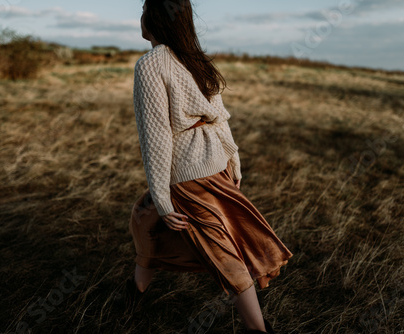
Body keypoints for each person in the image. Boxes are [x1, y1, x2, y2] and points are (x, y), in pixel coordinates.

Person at [121, 1, 294, 333]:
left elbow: (156, 136)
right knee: (147, 221)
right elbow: (220, 118)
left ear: (153, 18)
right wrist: (234, 160)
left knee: (222, 249)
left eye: (144, 10)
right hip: (217, 164)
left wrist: (162, 195)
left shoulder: (150, 65)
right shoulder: (195, 59)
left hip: (190, 175)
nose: (140, 17)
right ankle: (135, 291)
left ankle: (258, 329)